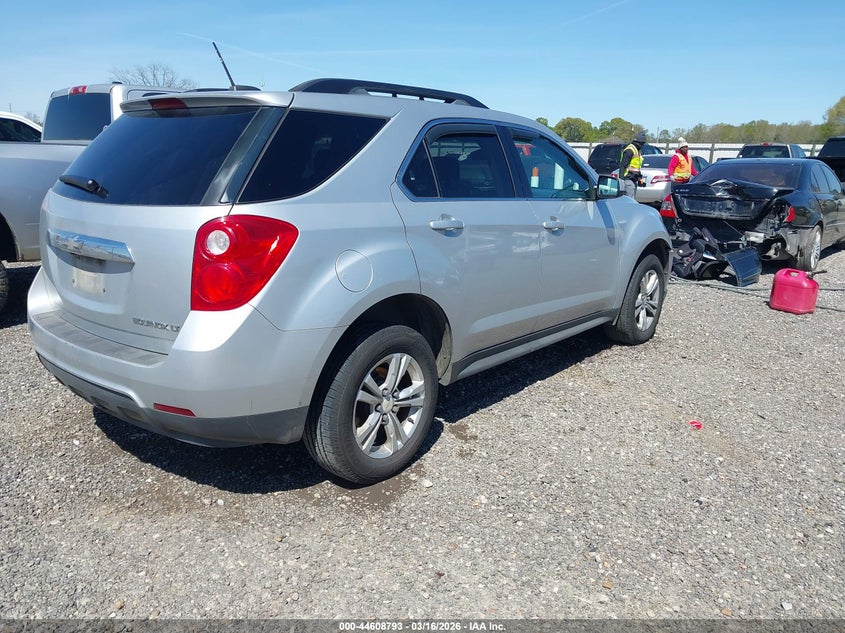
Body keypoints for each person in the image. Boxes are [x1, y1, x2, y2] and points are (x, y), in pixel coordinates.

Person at [619, 132, 646, 197]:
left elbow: (637, 168)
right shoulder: (630, 150)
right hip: (628, 179)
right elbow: (623, 165)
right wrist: (621, 180)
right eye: (642, 144)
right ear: (639, 143)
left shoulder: (636, 150)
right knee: (629, 201)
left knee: (632, 200)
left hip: (633, 179)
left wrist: (640, 179)